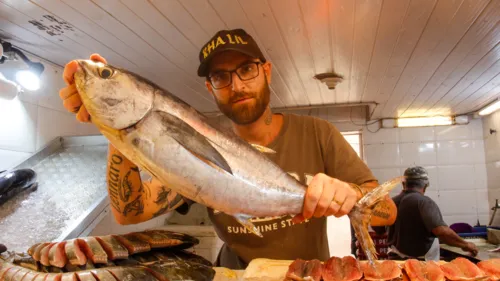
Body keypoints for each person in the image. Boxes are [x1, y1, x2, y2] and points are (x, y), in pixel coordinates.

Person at [58, 28, 397, 269]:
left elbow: (387, 211)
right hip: (234, 274)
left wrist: (350, 193)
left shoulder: (317, 132)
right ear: (210, 88)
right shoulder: (196, 147)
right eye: (221, 77)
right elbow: (130, 212)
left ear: (266, 71)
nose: (236, 85)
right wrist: (116, 134)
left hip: (305, 274)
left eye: (247, 69)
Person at [375, 166, 478, 261]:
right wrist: (466, 245)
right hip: (421, 265)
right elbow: (442, 232)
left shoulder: (389, 203)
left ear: (403, 184)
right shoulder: (424, 202)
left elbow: (378, 229)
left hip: (395, 262)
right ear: (425, 185)